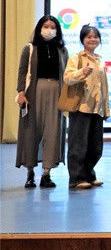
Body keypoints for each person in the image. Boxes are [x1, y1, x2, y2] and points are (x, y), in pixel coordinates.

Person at [15, 15, 68, 188]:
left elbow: (66, 74)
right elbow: (22, 72)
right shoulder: (29, 48)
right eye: (46, 26)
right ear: (39, 28)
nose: (49, 30)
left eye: (53, 27)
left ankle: (46, 173)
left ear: (57, 30)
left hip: (57, 92)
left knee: (53, 132)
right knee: (31, 131)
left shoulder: (62, 50)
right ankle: (30, 173)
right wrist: (21, 92)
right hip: (34, 92)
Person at [64, 25, 110, 189]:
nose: (93, 39)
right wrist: (81, 72)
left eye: (95, 37)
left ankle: (89, 175)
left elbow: (104, 87)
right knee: (78, 145)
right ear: (82, 40)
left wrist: (106, 108)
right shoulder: (76, 58)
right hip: (81, 107)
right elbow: (67, 78)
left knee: (95, 147)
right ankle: (76, 178)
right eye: (89, 36)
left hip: (97, 108)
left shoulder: (99, 59)